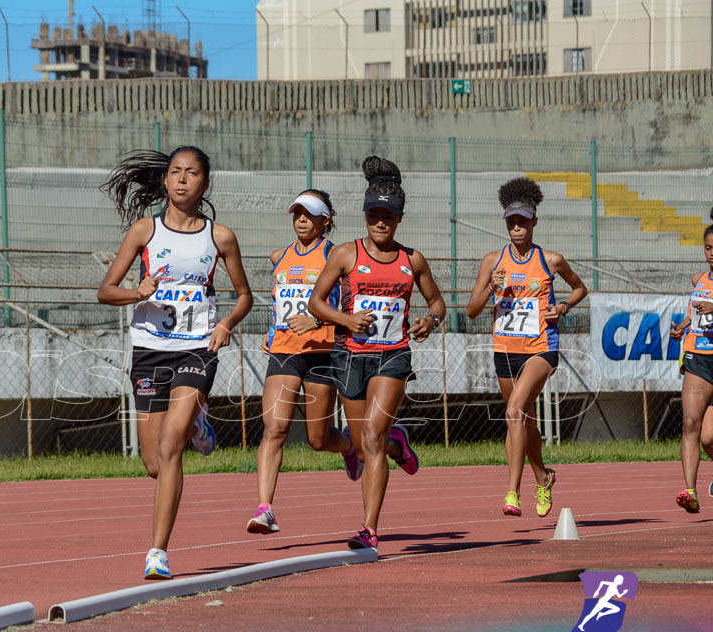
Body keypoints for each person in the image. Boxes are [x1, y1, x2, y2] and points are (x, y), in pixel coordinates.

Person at [97, 146, 253, 578]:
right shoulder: (144, 231)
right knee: (153, 463)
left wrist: (225, 325)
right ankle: (199, 423)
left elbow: (245, 296)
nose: (183, 179)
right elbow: (105, 290)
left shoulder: (219, 238)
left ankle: (158, 552)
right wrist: (137, 292)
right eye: (175, 172)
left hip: (196, 349)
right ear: (165, 181)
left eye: (192, 173)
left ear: (205, 183)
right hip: (149, 350)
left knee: (171, 448)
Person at [248, 190, 418, 535]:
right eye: (297, 213)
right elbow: (282, 300)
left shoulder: (338, 255)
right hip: (284, 350)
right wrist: (271, 328)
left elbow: (347, 304)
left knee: (318, 439)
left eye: (309, 215)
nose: (301, 220)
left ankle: (382, 445)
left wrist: (321, 321)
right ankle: (265, 508)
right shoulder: (279, 256)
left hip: (325, 354)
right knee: (275, 428)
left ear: (326, 220)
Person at [308, 156, 443, 551]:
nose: (381, 222)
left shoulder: (412, 260)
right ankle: (397, 445)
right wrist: (346, 320)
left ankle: (368, 528)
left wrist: (429, 322)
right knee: (365, 443)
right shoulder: (346, 255)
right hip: (350, 355)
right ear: (365, 215)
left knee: (371, 435)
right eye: (374, 215)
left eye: (388, 215)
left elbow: (437, 304)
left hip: (393, 356)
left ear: (399, 218)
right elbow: (317, 303)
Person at [465, 177, 588, 518]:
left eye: (523, 221)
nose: (517, 228)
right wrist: (491, 288)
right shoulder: (492, 261)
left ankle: (512, 493)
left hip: (540, 348)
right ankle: (543, 477)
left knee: (514, 412)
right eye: (511, 222)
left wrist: (562, 307)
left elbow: (580, 289)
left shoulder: (551, 259)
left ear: (535, 221)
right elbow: (472, 311)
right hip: (505, 350)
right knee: (524, 420)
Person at [668, 211, 713, 511]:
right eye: (708, 248)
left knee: (710, 438)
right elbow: (700, 312)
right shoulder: (700, 279)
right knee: (690, 423)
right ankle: (690, 491)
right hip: (699, 358)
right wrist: (684, 325)